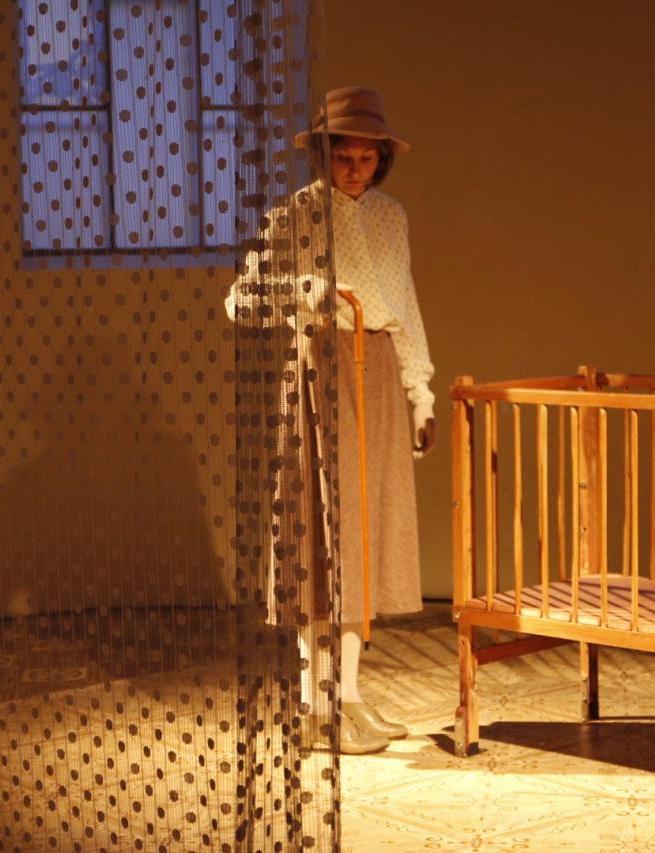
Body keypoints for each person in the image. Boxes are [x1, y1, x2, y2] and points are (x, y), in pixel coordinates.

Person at [227, 87, 434, 754]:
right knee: (319, 535)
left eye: (367, 158)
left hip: (378, 372)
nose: (354, 169)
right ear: (323, 154)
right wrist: (304, 290)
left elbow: (404, 301)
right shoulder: (297, 214)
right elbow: (241, 300)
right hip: (320, 367)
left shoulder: (392, 217)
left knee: (365, 536)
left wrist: (421, 390)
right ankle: (313, 701)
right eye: (343, 156)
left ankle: (349, 697)